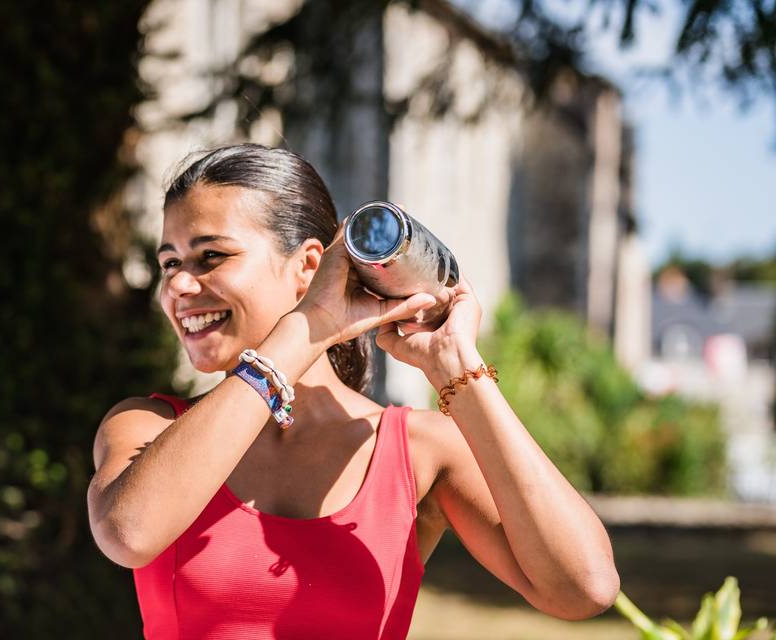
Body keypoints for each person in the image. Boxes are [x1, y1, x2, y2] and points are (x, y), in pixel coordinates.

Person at [87, 143, 620, 638]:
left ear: (309, 269)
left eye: (211, 257)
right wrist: (302, 331)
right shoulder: (149, 426)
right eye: (170, 263)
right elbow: (130, 532)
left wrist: (459, 366)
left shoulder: (418, 451)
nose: (178, 286)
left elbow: (584, 587)